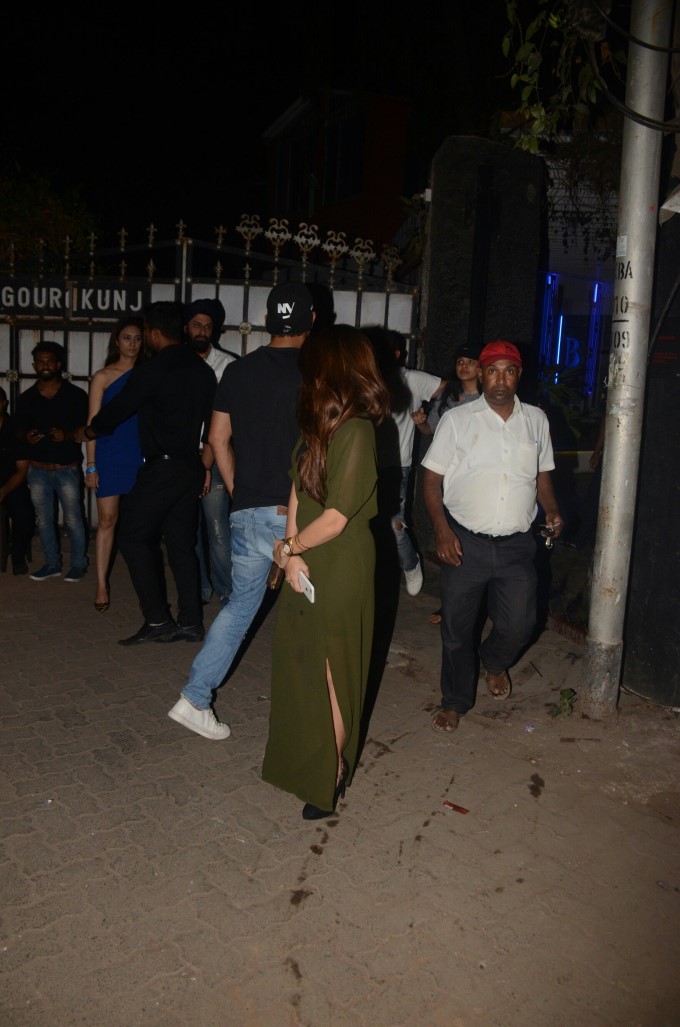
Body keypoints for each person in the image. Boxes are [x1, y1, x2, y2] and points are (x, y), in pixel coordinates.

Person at [167, 281, 315, 740]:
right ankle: (312, 713)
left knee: (238, 609)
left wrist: (238, 490)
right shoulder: (317, 372)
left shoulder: (237, 371)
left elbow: (217, 438)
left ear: (267, 321)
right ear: (312, 320)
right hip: (299, 514)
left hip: (248, 509)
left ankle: (195, 697)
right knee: (317, 609)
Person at [261, 325, 390, 820]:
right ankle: (308, 759)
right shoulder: (318, 425)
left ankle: (331, 771)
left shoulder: (357, 430)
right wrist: (290, 552)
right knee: (301, 664)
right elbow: (297, 490)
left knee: (334, 670)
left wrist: (290, 547)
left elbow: (336, 519)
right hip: (306, 557)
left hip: (341, 563)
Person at [422, 339, 563, 733]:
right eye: (493, 371)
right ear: (482, 375)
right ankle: (455, 702)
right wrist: (441, 530)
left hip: (517, 545)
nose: (501, 379)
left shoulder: (536, 420)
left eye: (509, 371)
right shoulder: (457, 421)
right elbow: (431, 481)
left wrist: (551, 508)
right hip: (464, 542)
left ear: (519, 375)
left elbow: (542, 475)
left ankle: (495, 661)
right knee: (456, 630)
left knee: (521, 623)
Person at [77, 301, 217, 645]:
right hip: (191, 464)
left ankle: (158, 619)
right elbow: (212, 424)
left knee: (132, 536)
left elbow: (119, 409)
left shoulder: (152, 370)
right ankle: (191, 622)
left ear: (153, 333)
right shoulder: (202, 370)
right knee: (182, 546)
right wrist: (205, 464)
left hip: (162, 467)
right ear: (181, 329)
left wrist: (89, 431)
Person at [366, 326, 446, 597]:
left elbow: (448, 390)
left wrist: (428, 416)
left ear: (397, 354)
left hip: (396, 464)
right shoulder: (366, 378)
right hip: (363, 461)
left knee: (395, 524)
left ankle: (410, 564)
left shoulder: (411, 379)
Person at [413, 342, 482, 623]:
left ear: (481, 368)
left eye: (470, 362)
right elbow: (429, 429)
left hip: (476, 477)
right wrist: (420, 422)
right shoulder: (448, 395)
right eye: (460, 361)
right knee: (449, 536)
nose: (464, 366)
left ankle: (471, 603)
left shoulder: (490, 398)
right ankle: (451, 604)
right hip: (444, 474)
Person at [85, 317, 147, 612]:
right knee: (107, 520)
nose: (132, 344)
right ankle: (101, 584)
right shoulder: (102, 376)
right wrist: (91, 464)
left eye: (137, 338)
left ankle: (145, 585)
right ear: (117, 341)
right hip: (109, 454)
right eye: (127, 338)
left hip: (139, 454)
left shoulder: (147, 374)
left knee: (140, 525)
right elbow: (92, 424)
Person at [14, 342, 89, 582]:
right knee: (44, 520)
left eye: (50, 361)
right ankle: (52, 564)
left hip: (67, 468)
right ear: (34, 365)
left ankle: (78, 564)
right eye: (40, 362)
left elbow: (87, 430)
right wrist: (26, 437)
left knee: (73, 519)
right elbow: (17, 431)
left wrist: (66, 435)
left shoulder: (76, 396)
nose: (45, 366)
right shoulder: (26, 398)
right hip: (37, 470)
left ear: (58, 364)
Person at [183, 298, 236, 607]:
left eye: (207, 326)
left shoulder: (227, 365)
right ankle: (200, 588)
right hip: (182, 457)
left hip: (214, 457)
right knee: (188, 529)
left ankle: (226, 590)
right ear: (186, 328)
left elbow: (227, 421)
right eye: (196, 325)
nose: (202, 331)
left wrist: (207, 463)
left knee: (217, 528)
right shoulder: (176, 362)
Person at [0, 386, 35, 574]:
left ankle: (18, 556)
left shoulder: (15, 430)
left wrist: (3, 491)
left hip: (11, 483)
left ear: (4, 403)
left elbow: (22, 470)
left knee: (24, 514)